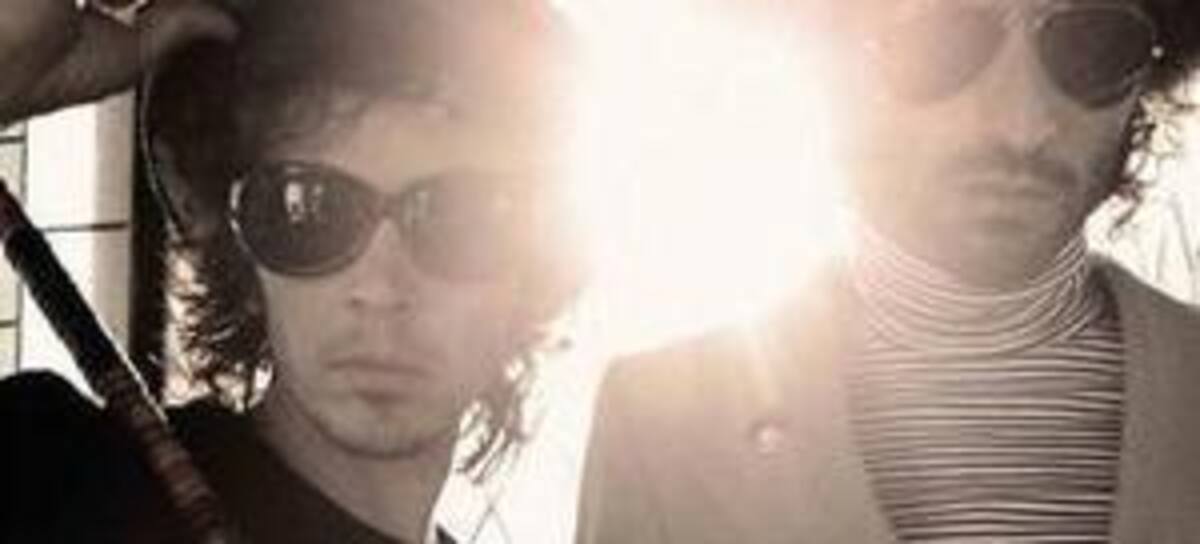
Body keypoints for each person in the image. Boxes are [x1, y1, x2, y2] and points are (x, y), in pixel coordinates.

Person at [577, 0, 1200, 542]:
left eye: (1094, 47)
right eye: (940, 41)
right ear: (830, 62)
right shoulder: (660, 428)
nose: (1022, 125)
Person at [0, 0, 581, 542]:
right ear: (237, 237)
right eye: (308, 208)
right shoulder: (62, 484)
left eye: (458, 218)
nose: (380, 289)